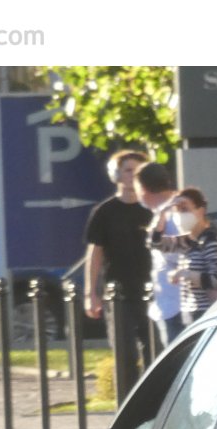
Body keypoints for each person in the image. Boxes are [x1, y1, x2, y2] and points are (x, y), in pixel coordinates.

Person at [84, 149, 151, 401]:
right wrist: (91, 293)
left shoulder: (153, 209)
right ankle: (126, 406)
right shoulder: (105, 212)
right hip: (119, 292)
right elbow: (95, 254)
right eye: (127, 170)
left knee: (154, 350)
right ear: (116, 175)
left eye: (138, 170)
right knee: (125, 354)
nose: (132, 175)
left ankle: (153, 406)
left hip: (151, 290)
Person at [148, 187, 217, 326]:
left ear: (200, 211)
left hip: (206, 314)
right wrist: (163, 215)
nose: (180, 215)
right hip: (189, 315)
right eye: (177, 210)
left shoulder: (209, 240)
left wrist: (185, 274)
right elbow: (155, 244)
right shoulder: (187, 241)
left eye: (185, 209)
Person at [133, 161, 184, 351]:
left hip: (178, 306)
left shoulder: (175, 212)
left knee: (180, 364)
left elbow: (186, 253)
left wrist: (156, 240)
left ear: (143, 189)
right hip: (171, 304)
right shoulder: (169, 210)